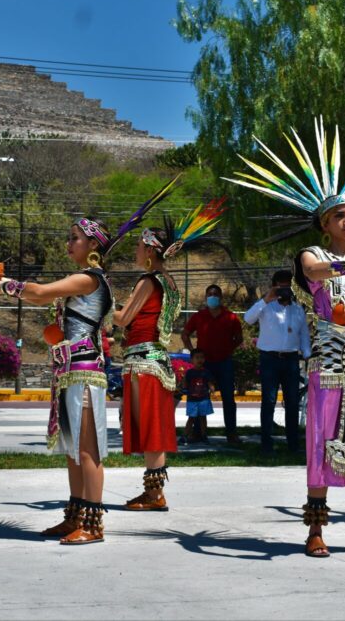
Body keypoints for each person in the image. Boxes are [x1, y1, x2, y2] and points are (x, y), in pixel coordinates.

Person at [225, 117, 345, 557]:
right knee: (322, 442)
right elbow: (313, 273)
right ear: (325, 224)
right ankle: (315, 527)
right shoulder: (313, 255)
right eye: (339, 216)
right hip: (329, 361)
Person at [0, 217, 117, 544]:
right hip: (69, 371)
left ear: (92, 245)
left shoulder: (88, 279)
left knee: (88, 451)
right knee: (73, 450)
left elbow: (41, 293)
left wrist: (6, 284)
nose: (68, 244)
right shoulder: (83, 279)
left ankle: (93, 522)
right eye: (69, 237)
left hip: (85, 372)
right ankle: (75, 516)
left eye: (75, 238)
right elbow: (42, 299)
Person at [116, 198, 227, 511]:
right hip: (158, 360)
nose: (135, 252)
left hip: (144, 362)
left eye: (138, 247)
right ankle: (153, 492)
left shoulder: (148, 281)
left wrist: (99, 303)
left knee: (151, 429)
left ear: (151, 251)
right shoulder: (171, 283)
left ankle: (154, 494)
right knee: (155, 428)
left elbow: (124, 319)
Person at [243, 269, 311, 454]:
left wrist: (307, 354)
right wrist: (266, 298)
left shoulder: (298, 309)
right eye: (280, 286)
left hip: (290, 360)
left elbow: (304, 334)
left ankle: (293, 444)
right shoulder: (266, 306)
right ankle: (266, 444)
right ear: (274, 286)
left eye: (288, 285)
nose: (284, 289)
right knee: (269, 401)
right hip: (269, 359)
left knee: (292, 402)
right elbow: (248, 318)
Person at [182, 284, 244, 443]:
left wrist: (229, 349)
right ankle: (198, 433)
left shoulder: (230, 317)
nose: (212, 296)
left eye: (216, 294)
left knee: (228, 399)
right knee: (198, 397)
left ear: (221, 297)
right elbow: (185, 334)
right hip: (204, 365)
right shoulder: (199, 316)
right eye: (210, 294)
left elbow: (239, 338)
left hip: (225, 364)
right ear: (205, 297)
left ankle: (231, 433)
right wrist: (193, 352)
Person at [183, 349, 215, 443]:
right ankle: (185, 435)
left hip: (204, 399)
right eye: (197, 357)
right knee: (191, 418)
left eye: (201, 357)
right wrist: (183, 387)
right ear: (192, 360)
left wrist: (212, 389)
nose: (199, 359)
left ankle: (204, 435)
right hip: (192, 399)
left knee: (203, 418)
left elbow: (210, 382)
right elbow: (185, 382)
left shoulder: (206, 372)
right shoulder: (189, 372)